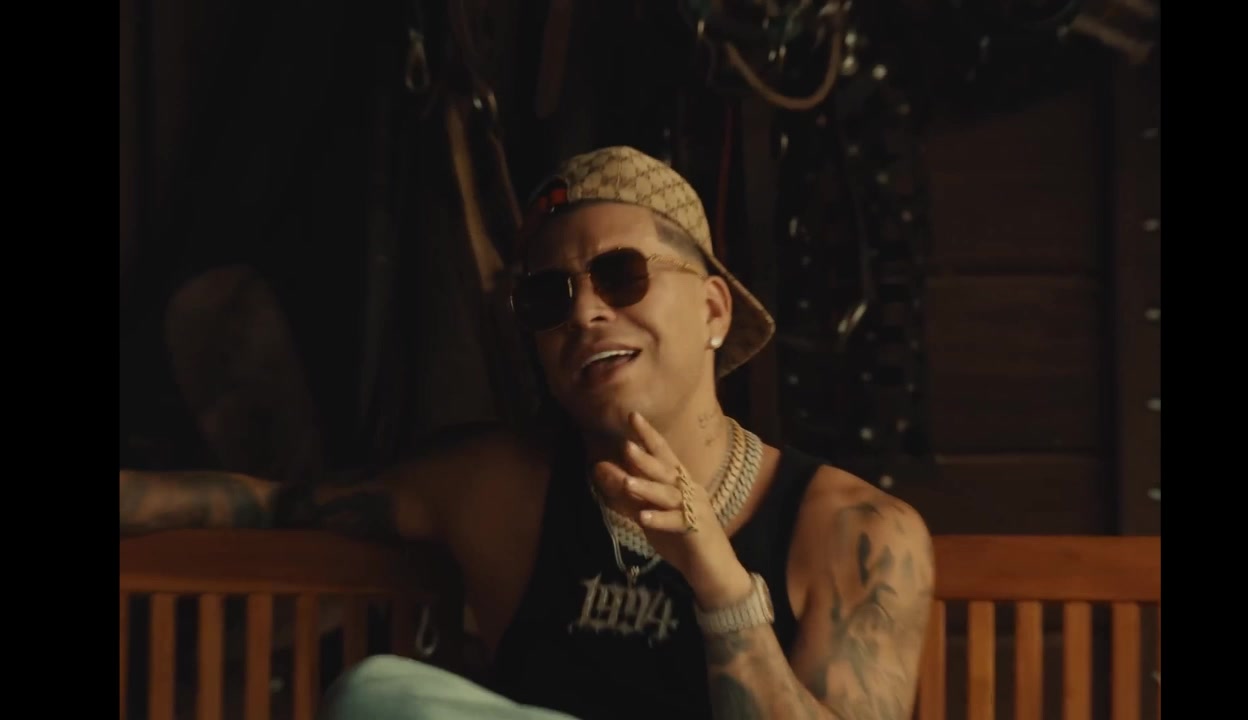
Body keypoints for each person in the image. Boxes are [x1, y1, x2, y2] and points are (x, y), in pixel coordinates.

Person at [120, 145, 935, 720]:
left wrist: (720, 585)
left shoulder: (856, 533)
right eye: (550, 297)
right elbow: (279, 504)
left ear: (713, 309)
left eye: (621, 275)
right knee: (378, 697)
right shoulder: (497, 492)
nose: (586, 312)